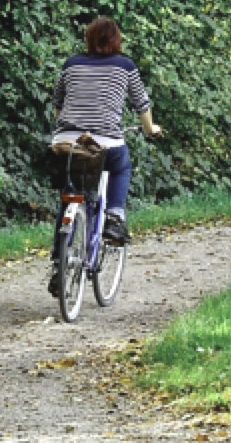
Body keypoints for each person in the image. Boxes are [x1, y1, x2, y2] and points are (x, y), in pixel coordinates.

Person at [48, 16, 161, 295]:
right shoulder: (125, 66)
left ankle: (58, 263)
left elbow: (57, 105)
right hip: (106, 142)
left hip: (67, 142)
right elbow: (141, 104)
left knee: (69, 192)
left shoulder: (71, 64)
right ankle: (114, 216)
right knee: (121, 166)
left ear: (88, 38)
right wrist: (151, 129)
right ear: (116, 40)